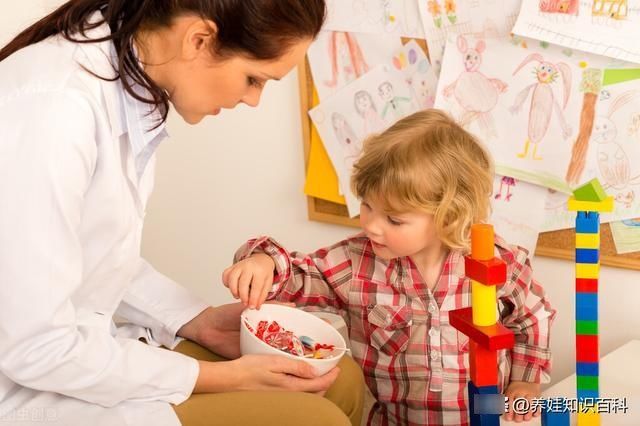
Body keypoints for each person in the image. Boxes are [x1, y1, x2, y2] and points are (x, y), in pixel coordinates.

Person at [0, 1, 364, 425]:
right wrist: (220, 377)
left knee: (341, 379)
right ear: (199, 39)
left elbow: (88, 253)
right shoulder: (54, 113)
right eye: (253, 79)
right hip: (28, 388)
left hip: (77, 351)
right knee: (317, 420)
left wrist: (199, 321)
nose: (252, 100)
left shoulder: (134, 81)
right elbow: (35, 348)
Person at [223, 109, 557, 425]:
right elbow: (297, 275)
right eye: (367, 205)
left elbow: (532, 316)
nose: (371, 225)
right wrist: (262, 259)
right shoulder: (355, 264)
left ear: (449, 216)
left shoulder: (496, 262)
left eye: (394, 219)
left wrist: (525, 380)